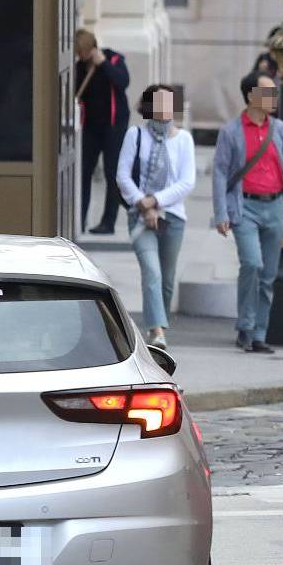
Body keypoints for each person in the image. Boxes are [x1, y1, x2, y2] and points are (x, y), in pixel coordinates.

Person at [213, 72, 283, 353]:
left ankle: (259, 333)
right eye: (267, 92)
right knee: (252, 264)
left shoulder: (280, 128)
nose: (273, 98)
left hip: (275, 205)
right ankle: (245, 327)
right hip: (244, 206)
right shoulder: (231, 131)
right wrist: (221, 213)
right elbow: (220, 174)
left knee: (268, 274)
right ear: (250, 96)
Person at [115, 84, 195, 349]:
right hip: (140, 216)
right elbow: (123, 176)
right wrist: (144, 204)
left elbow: (187, 182)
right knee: (152, 271)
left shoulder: (183, 139)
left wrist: (157, 201)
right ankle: (156, 331)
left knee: (167, 279)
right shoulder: (135, 135)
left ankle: (158, 323)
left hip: (172, 215)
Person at [74, 29, 131, 235]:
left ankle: (108, 222)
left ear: (92, 49)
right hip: (90, 126)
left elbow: (123, 82)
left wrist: (104, 64)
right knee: (84, 171)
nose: (80, 56)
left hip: (114, 125)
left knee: (112, 172)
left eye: (82, 52)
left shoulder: (114, 59)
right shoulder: (80, 67)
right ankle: (79, 219)